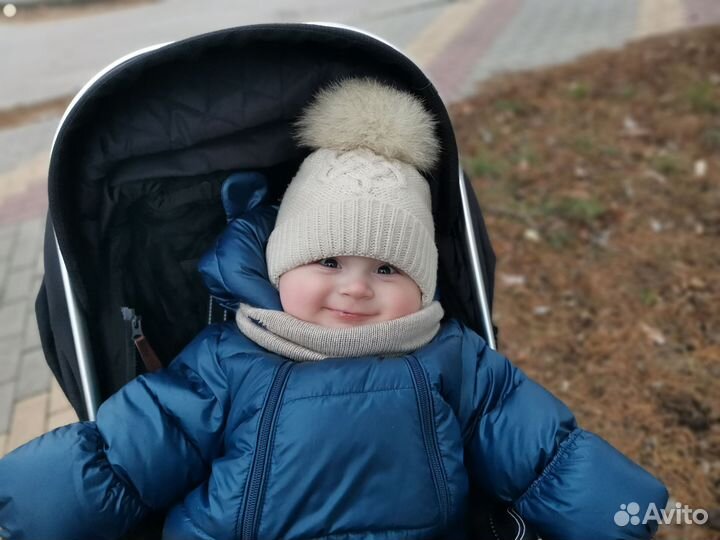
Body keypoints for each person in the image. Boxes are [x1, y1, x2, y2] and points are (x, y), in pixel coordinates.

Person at [0, 78, 667, 540]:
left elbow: (541, 451)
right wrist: (25, 508)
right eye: (328, 263)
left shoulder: (450, 356)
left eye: (385, 269)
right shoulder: (231, 357)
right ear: (280, 265)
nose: (354, 288)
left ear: (426, 282)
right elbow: (124, 453)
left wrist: (618, 511)